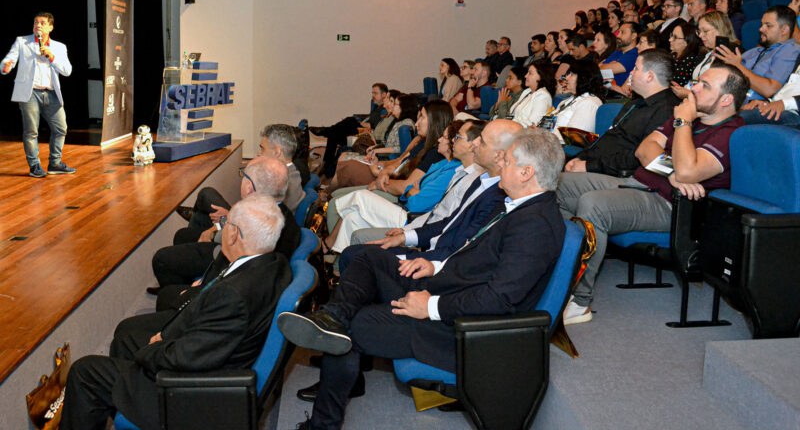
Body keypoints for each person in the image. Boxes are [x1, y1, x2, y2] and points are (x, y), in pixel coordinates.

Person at [279, 127, 566, 430]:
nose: (500, 165)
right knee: (365, 256)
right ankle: (332, 316)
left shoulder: (535, 225)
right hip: (446, 289)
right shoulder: (520, 207)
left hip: (460, 328)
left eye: (506, 161)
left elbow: (499, 299)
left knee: (354, 325)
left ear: (526, 172)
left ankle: (323, 423)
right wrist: (434, 271)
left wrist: (431, 306)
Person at [60, 195, 293, 430]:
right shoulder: (274, 262)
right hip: (217, 360)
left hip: (193, 396)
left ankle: (130, 400)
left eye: (226, 223)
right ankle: (125, 402)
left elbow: (186, 357)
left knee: (84, 373)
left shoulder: (233, 296)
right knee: (127, 337)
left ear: (234, 234)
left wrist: (155, 346)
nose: (222, 230)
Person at [559, 63, 750, 325]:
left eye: (705, 85)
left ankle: (579, 302)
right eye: (698, 81)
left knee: (594, 205)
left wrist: (683, 125)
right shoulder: (685, 116)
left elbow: (688, 171)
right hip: (639, 183)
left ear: (726, 100)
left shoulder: (729, 133)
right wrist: (671, 173)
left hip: (670, 206)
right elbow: (644, 150)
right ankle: (559, 274)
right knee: (559, 185)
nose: (693, 88)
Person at [150, 156, 301, 307]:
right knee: (183, 235)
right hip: (240, 270)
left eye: (243, 175)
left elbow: (233, 258)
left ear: (249, 186)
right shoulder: (279, 215)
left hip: (226, 268)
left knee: (161, 264)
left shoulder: (258, 219)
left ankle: (181, 303)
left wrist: (201, 287)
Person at [327, 120, 462, 253]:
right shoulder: (441, 164)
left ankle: (327, 244)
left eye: (444, 137)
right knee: (351, 218)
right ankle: (336, 265)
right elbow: (413, 186)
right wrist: (413, 190)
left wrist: (412, 190)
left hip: (410, 218)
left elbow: (417, 202)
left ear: (453, 142)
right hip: (405, 206)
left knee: (359, 196)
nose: (439, 140)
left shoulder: (451, 171)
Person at [562, 49, 679, 177]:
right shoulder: (634, 104)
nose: (631, 73)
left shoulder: (667, 110)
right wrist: (579, 158)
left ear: (650, 76)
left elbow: (638, 157)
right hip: (595, 165)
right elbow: (609, 140)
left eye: (636, 68)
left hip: (615, 174)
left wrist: (588, 165)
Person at [1, 12, 75, 177]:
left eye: (42, 23)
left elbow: (68, 71)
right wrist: (6, 66)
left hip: (51, 94)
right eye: (35, 23)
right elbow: (10, 59)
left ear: (51, 27)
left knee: (61, 128)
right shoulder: (22, 42)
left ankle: (55, 163)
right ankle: (35, 166)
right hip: (30, 93)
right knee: (31, 131)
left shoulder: (59, 47)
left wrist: (51, 56)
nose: (38, 26)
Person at [714, 5, 800, 103]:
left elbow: (769, 89)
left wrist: (738, 66)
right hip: (727, 98)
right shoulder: (756, 51)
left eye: (768, 25)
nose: (761, 29)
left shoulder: (789, 50)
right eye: (762, 24)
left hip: (750, 106)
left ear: (784, 30)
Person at [310, 83, 388, 178]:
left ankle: (325, 131)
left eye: (375, 93)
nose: (373, 96)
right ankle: (327, 166)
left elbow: (375, 126)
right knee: (333, 135)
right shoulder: (376, 108)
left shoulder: (385, 109)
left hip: (367, 136)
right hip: (363, 131)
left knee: (349, 120)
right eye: (372, 93)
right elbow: (370, 120)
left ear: (384, 95)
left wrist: (363, 124)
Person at [671, 11, 737, 99]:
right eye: (699, 31)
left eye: (705, 31)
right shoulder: (705, 53)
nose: (701, 35)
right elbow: (695, 81)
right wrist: (682, 89)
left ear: (720, 29)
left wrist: (690, 94)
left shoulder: (731, 52)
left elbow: (721, 91)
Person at [548, 60, 605, 140]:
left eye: (571, 74)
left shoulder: (589, 102)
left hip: (562, 148)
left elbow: (575, 137)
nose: (566, 78)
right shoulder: (567, 101)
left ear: (584, 77)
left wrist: (544, 135)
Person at [510, 60, 556, 127]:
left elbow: (533, 124)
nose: (525, 76)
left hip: (524, 134)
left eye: (530, 73)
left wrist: (510, 125)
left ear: (541, 77)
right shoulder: (527, 91)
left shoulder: (543, 96)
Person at [599, 21, 639, 87]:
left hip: (619, 94)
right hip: (607, 89)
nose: (618, 35)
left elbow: (601, 70)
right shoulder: (617, 52)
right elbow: (598, 69)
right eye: (619, 32)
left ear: (633, 36)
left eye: (623, 32)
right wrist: (607, 67)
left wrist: (604, 66)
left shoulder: (634, 55)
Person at [669, 21, 704, 86]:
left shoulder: (689, 60)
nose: (670, 39)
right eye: (671, 35)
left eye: (675, 37)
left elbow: (675, 84)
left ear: (687, 42)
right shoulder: (673, 55)